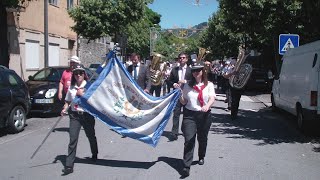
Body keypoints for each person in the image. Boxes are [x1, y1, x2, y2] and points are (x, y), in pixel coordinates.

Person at [178, 61, 216, 177]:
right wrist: (179, 94)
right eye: (193, 71)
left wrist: (207, 106)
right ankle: (186, 166)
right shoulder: (187, 85)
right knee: (189, 139)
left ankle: (201, 156)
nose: (195, 73)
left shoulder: (209, 85)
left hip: (204, 115)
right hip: (189, 115)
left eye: (198, 71)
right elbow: (184, 101)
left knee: (202, 138)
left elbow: (212, 98)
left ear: (202, 71)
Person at [61, 64, 98, 175]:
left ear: (84, 74)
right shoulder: (71, 88)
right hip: (74, 116)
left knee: (90, 136)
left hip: (87, 115)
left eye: (80, 73)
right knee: (73, 139)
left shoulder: (90, 86)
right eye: (76, 73)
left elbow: (95, 101)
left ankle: (94, 153)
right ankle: (69, 165)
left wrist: (82, 94)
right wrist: (64, 108)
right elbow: (68, 101)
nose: (78, 75)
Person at [167, 52, 192, 141]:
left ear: (187, 59)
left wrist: (185, 81)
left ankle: (185, 131)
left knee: (187, 115)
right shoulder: (174, 70)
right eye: (180, 58)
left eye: (183, 57)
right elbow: (169, 81)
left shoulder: (190, 70)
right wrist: (173, 84)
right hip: (177, 95)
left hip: (187, 95)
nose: (181, 59)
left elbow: (194, 82)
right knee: (176, 114)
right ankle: (174, 133)